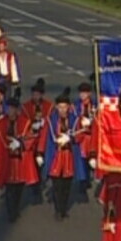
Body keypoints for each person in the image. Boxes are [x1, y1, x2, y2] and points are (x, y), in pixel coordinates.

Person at [0, 97, 40, 221]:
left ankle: (15, 207)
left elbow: (31, 138)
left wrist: (21, 144)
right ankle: (11, 212)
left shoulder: (25, 122)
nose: (10, 111)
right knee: (9, 187)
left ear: (17, 110)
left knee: (19, 187)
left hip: (20, 160)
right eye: (8, 109)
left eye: (13, 109)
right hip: (6, 159)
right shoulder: (1, 124)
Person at [41, 90, 85, 220]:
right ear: (56, 107)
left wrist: (71, 138)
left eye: (64, 107)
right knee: (57, 186)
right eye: (60, 107)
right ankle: (58, 210)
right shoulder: (51, 120)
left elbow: (80, 136)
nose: (62, 110)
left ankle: (63, 208)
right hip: (56, 156)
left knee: (66, 186)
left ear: (69, 107)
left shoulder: (75, 120)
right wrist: (40, 153)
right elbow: (45, 137)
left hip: (69, 157)